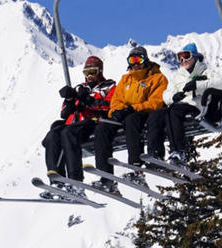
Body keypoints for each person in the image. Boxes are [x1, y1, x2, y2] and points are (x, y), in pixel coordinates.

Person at [92, 45, 168, 190]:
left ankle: (136, 167)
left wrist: (133, 108)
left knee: (131, 120)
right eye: (132, 60)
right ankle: (106, 177)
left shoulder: (157, 77)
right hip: (125, 114)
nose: (135, 63)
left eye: (138, 59)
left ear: (145, 60)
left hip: (145, 114)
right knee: (102, 128)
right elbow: (116, 100)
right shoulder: (126, 80)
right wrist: (117, 111)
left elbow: (157, 101)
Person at [41, 56, 115, 187]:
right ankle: (57, 180)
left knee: (68, 133)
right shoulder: (79, 88)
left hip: (93, 122)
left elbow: (110, 106)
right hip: (74, 124)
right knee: (52, 135)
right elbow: (64, 114)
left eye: (93, 72)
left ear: (100, 71)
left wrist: (88, 101)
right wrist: (69, 99)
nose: (89, 76)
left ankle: (75, 179)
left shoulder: (108, 86)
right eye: (87, 73)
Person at [146, 42, 213, 163]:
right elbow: (166, 94)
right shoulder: (177, 75)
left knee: (174, 111)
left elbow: (218, 83)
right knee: (157, 114)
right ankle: (155, 153)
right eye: (180, 57)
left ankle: (179, 151)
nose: (183, 60)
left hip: (197, 105)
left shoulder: (205, 71)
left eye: (186, 56)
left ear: (195, 57)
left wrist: (198, 85)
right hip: (179, 105)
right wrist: (173, 97)